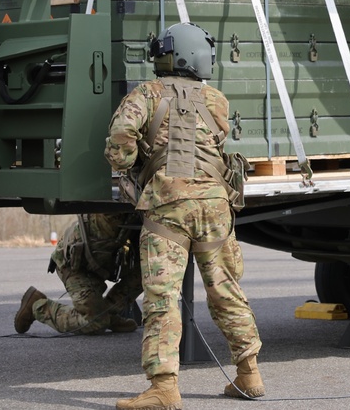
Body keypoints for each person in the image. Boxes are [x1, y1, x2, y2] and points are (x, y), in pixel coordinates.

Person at [105, 22, 264, 410]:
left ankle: (164, 388)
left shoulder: (145, 93)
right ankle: (250, 374)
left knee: (162, 297)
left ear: (170, 55)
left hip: (168, 208)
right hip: (214, 205)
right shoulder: (217, 100)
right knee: (225, 288)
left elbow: (120, 138)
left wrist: (127, 163)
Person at [14, 212, 143, 335]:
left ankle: (109, 314)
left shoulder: (138, 212)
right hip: (75, 267)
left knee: (148, 270)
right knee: (95, 323)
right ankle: (38, 306)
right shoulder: (109, 213)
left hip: (98, 266)